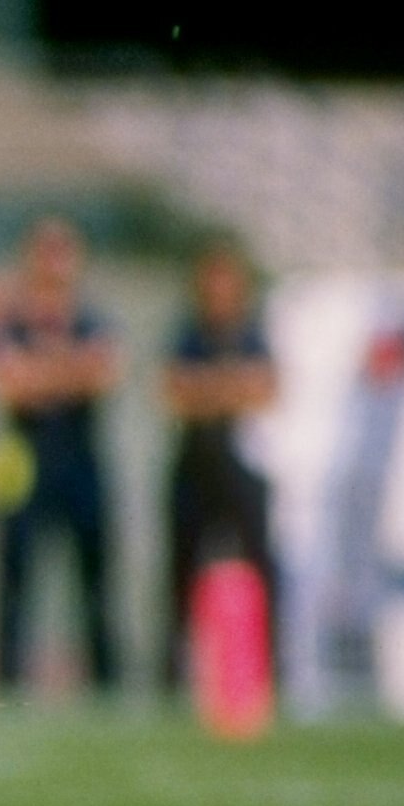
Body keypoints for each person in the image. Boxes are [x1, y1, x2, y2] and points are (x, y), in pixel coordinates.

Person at [0, 217, 120, 694]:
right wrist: (70, 368)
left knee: (96, 581)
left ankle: (106, 688)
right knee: (16, 581)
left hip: (81, 460)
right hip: (24, 462)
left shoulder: (92, 316)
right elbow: (10, 384)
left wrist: (41, 371)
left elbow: (103, 375)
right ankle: (6, 689)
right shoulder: (10, 320)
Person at [162, 240, 277, 690]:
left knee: (259, 570)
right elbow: (174, 392)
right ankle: (173, 680)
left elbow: (267, 390)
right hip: (195, 466)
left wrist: (205, 389)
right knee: (181, 577)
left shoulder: (252, 333)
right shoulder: (188, 334)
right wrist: (231, 386)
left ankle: (267, 676)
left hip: (242, 468)